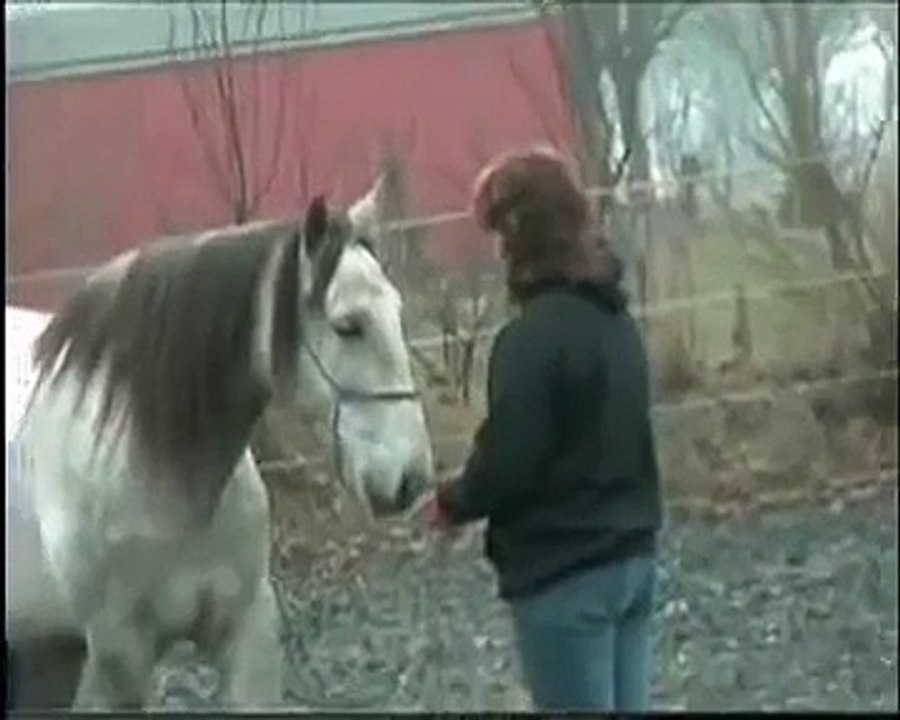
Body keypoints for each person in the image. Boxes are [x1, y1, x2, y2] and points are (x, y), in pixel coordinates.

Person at [421, 146, 663, 713]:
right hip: (632, 558)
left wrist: (453, 501)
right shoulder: (615, 321)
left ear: (516, 237)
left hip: (564, 575)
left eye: (500, 234)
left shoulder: (530, 341)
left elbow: (510, 458)